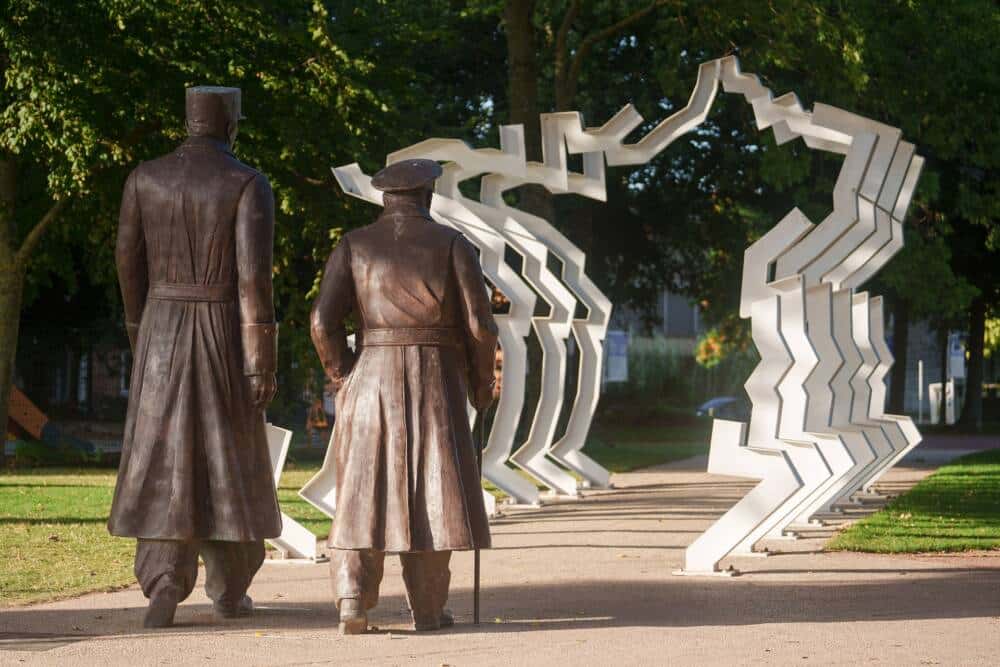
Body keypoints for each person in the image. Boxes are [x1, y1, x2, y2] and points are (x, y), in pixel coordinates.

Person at [109, 86, 281, 628]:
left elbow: (126, 261)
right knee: (228, 458)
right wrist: (262, 359)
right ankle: (229, 586)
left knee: (162, 456)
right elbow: (254, 280)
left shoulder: (145, 177)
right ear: (232, 124)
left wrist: (142, 329)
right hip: (222, 330)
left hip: (161, 326)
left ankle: (163, 578)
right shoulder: (247, 183)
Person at [311, 159, 497, 634]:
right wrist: (481, 386)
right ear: (428, 196)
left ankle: (352, 599)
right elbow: (480, 326)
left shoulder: (354, 245)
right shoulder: (453, 244)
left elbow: (321, 323)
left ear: (384, 198)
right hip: (437, 376)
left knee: (361, 492)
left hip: (370, 376)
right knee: (436, 492)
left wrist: (344, 377)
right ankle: (429, 610)